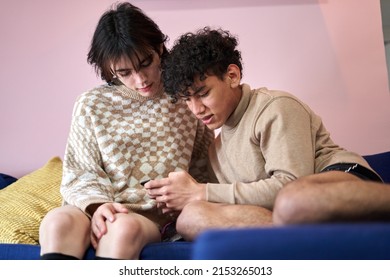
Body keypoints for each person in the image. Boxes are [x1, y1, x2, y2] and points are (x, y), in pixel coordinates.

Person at [144, 27, 383, 241]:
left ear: (232, 76)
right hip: (289, 214)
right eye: (187, 100)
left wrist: (201, 191)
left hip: (339, 180)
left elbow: (291, 184)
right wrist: (188, 200)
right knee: (191, 217)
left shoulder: (275, 106)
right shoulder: (215, 150)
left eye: (203, 93)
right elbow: (246, 203)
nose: (196, 109)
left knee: (294, 200)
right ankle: (304, 242)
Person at [38, 3, 214, 260]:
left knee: (121, 228)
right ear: (109, 68)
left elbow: (203, 167)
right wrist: (99, 207)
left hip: (148, 216)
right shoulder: (91, 104)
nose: (140, 79)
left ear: (160, 48)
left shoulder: (185, 96)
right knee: (57, 222)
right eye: (125, 72)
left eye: (146, 63)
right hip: (96, 204)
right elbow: (80, 171)